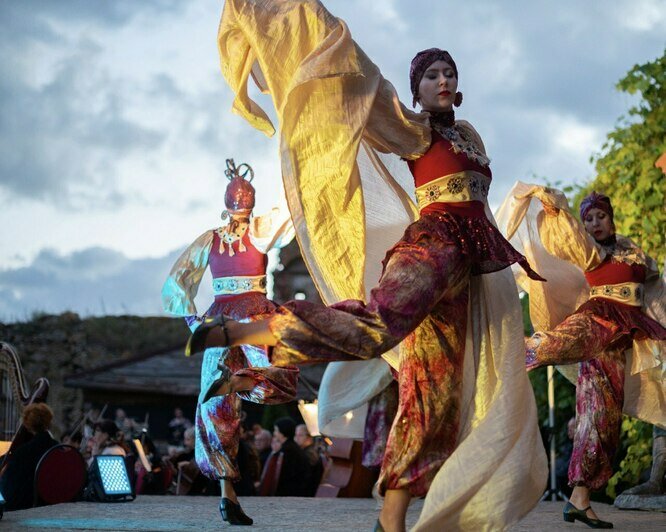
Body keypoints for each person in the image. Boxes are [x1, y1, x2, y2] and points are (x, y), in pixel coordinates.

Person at [188, 2, 549, 530]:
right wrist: (316, 26)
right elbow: (360, 88)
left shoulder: (469, 134)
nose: (443, 80)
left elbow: (485, 211)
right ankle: (248, 328)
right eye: (431, 75)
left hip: (468, 269)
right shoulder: (413, 129)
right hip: (431, 250)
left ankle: (391, 521)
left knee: (435, 393)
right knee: (375, 326)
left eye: (449, 72)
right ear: (417, 88)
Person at [499, 186, 666, 528]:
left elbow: (654, 284)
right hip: (597, 320)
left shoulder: (632, 250)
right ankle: (498, 353)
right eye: (588, 218)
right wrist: (552, 204)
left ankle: (579, 501)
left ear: (611, 218)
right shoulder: (588, 250)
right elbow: (568, 235)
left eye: (600, 216)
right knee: (552, 345)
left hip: (621, 340)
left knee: (603, 422)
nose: (594, 223)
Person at [162, 158, 299, 526]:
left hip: (218, 322)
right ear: (249, 206)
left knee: (215, 410)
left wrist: (195, 322)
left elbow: (175, 285)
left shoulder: (210, 239)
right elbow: (293, 211)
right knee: (283, 377)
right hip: (255, 314)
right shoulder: (260, 229)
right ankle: (243, 381)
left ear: (225, 206)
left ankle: (228, 496)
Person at [0, 403, 58, 510]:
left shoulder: (23, 452)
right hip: (55, 499)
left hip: (28, 503)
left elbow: (8, 487)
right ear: (49, 422)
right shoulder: (57, 447)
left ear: (28, 425)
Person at [271, 418, 311, 497]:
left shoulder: (288, 450)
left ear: (282, 432)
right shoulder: (291, 447)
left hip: (292, 494)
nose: (274, 433)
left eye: (276, 430)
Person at [295, 424, 323, 496]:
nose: (296, 438)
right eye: (296, 435)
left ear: (309, 437)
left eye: (300, 435)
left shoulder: (310, 454)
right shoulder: (304, 452)